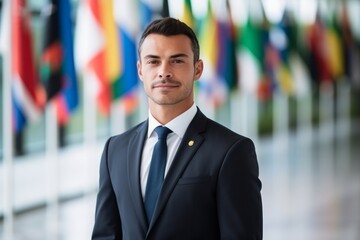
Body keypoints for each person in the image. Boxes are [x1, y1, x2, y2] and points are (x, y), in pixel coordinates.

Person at [92, 17, 262, 239]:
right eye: (153, 61)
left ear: (198, 69)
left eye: (177, 61)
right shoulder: (115, 150)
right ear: (140, 70)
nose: (164, 71)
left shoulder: (231, 151)